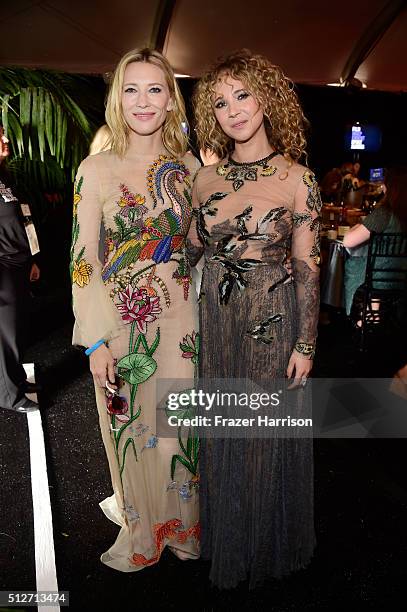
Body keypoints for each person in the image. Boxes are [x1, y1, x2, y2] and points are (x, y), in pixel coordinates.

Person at [188, 50, 321, 589]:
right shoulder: (204, 179)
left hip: (273, 319)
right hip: (217, 321)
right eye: (220, 103)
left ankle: (264, 550)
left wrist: (306, 344)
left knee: (264, 433)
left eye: (242, 95)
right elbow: (193, 247)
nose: (233, 111)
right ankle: (227, 543)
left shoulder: (298, 178)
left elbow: (308, 267)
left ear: (266, 99)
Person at [70, 48, 200, 570]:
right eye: (131, 89)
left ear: (171, 100)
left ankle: (185, 529)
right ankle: (142, 533)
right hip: (120, 325)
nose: (143, 100)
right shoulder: (95, 169)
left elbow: (200, 249)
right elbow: (82, 261)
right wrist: (95, 340)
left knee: (177, 433)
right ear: (116, 100)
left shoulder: (190, 168)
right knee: (128, 432)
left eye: (154, 89)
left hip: (185, 326)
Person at [0, 125, 41, 413]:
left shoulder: (6, 176)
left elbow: (25, 218)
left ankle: (15, 379)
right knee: (4, 333)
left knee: (16, 329)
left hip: (18, 263)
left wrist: (33, 257)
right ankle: (8, 396)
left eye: (4, 133)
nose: (5, 139)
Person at [343, 166, 407, 320]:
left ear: (390, 188)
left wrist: (359, 225)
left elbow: (348, 242)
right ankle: (374, 314)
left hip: (378, 279)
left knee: (354, 262)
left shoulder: (384, 213)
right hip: (401, 277)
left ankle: (365, 318)